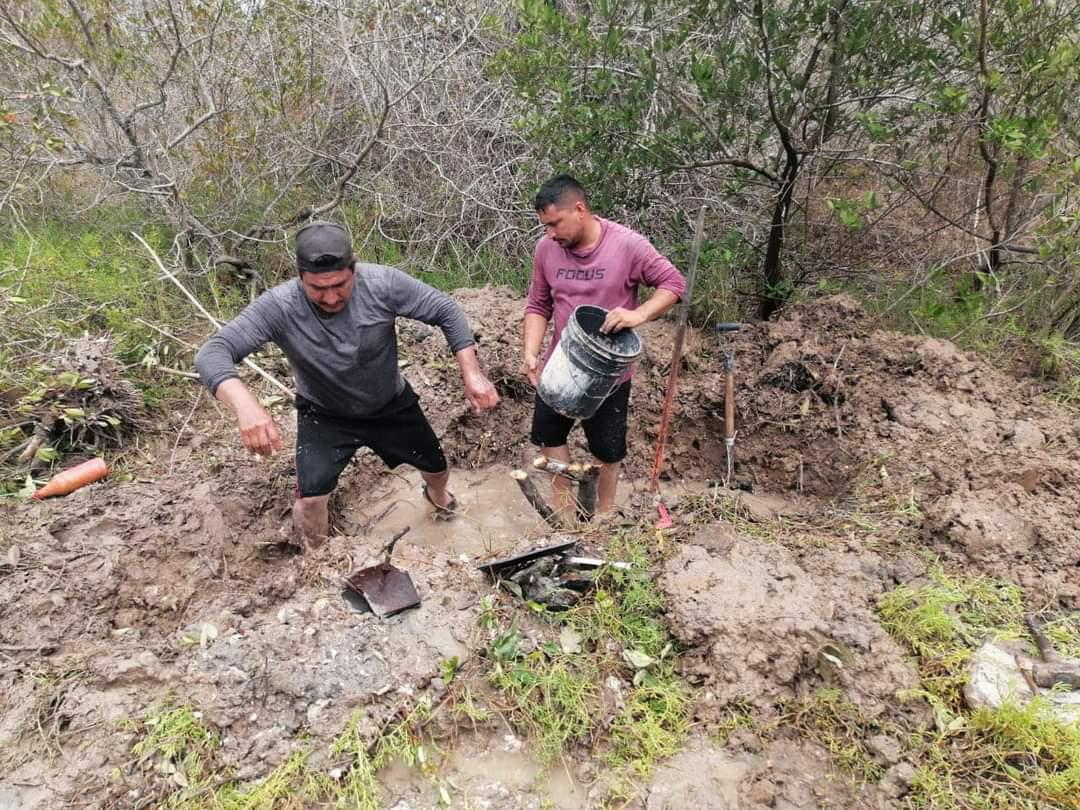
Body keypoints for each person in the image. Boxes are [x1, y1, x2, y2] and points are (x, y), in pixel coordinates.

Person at [195, 220, 500, 548]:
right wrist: (245, 405)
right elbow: (212, 353)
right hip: (324, 414)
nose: (329, 297)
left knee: (436, 468)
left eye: (339, 285)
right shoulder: (279, 306)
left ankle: (437, 496)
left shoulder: (382, 283)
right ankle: (320, 561)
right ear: (301, 277)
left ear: (353, 270)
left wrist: (472, 372)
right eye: (317, 288)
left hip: (390, 404)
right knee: (311, 499)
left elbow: (446, 309)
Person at [523, 175, 686, 519]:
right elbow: (538, 304)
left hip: (609, 373)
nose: (551, 233)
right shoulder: (546, 249)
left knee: (607, 450)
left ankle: (604, 515)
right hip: (560, 365)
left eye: (555, 223)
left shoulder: (627, 246)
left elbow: (673, 284)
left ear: (579, 209)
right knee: (550, 439)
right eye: (545, 226)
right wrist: (531, 351)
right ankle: (566, 516)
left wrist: (637, 314)